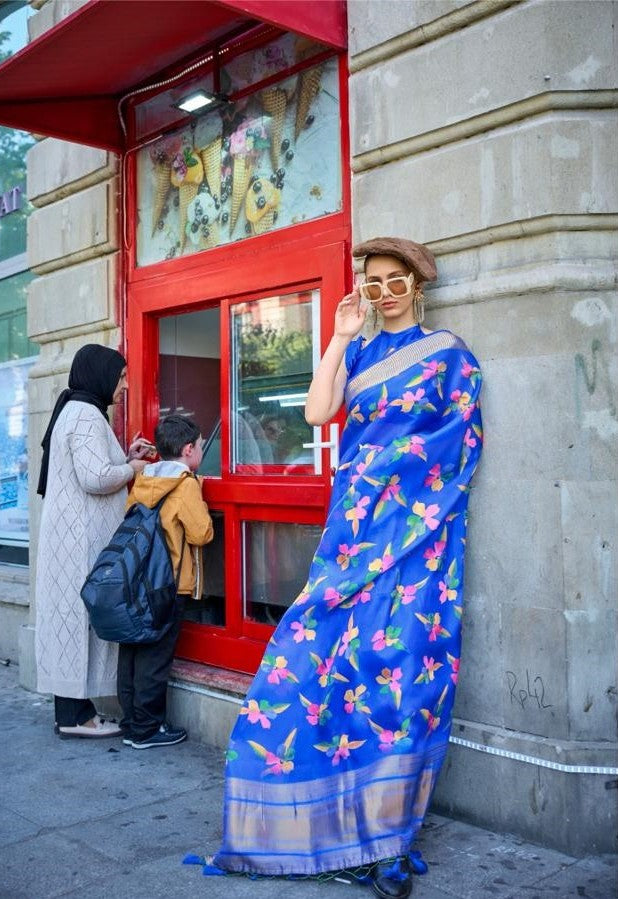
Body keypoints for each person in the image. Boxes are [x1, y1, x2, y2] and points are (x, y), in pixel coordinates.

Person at [207, 237, 484, 899]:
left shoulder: (450, 356)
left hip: (416, 545)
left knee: (402, 677)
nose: (385, 292)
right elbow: (316, 412)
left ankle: (386, 838)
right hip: (351, 538)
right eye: (375, 281)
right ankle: (312, 821)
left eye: (396, 281)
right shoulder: (359, 351)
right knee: (321, 665)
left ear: (418, 286)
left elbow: (461, 443)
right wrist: (337, 336)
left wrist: (392, 475)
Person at [35, 344, 152, 739]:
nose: (124, 385)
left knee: (70, 619)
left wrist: (126, 455)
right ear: (100, 375)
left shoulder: (79, 410)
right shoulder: (85, 415)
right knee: (77, 620)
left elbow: (94, 466)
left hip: (71, 539)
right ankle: (76, 718)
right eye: (120, 377)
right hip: (78, 543)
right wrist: (133, 468)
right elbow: (95, 477)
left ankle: (72, 711)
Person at [118, 413, 213, 749]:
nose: (201, 451)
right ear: (188, 450)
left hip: (139, 582)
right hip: (168, 583)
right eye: (201, 446)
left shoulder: (145, 480)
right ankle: (146, 729)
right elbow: (201, 533)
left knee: (131, 652)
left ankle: (131, 722)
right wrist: (199, 492)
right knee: (155, 658)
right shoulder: (185, 485)